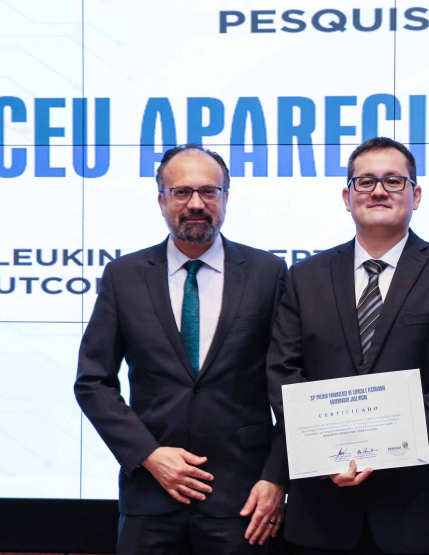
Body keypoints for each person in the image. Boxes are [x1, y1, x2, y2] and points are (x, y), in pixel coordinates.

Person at [266, 137, 429, 555]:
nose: (378, 191)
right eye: (365, 181)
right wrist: (327, 453)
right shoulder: (305, 277)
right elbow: (284, 373)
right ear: (347, 196)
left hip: (422, 510)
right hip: (323, 511)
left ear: (416, 195)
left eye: (393, 180)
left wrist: (384, 443)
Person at [75, 145, 287, 555]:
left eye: (208, 191)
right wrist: (149, 455)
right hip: (150, 494)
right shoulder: (124, 276)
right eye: (181, 192)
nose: (195, 204)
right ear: (161, 200)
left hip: (244, 498)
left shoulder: (267, 273)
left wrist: (277, 477)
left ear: (225, 197)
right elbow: (93, 382)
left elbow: (291, 383)